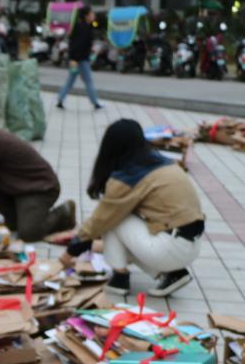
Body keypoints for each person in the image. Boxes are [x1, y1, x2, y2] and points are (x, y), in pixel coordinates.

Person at [60, 119, 205, 298]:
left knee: (114, 219)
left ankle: (120, 279)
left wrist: (70, 252)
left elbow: (101, 219)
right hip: (190, 245)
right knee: (117, 219)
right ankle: (173, 274)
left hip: (170, 248)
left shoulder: (130, 175)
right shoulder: (162, 162)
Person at [56, 5, 102, 110]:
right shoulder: (83, 27)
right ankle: (95, 103)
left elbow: (76, 43)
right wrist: (74, 59)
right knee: (88, 81)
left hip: (77, 58)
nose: (93, 15)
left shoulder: (83, 26)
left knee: (70, 80)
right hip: (80, 60)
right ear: (87, 16)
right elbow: (77, 44)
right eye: (91, 13)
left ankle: (60, 99)